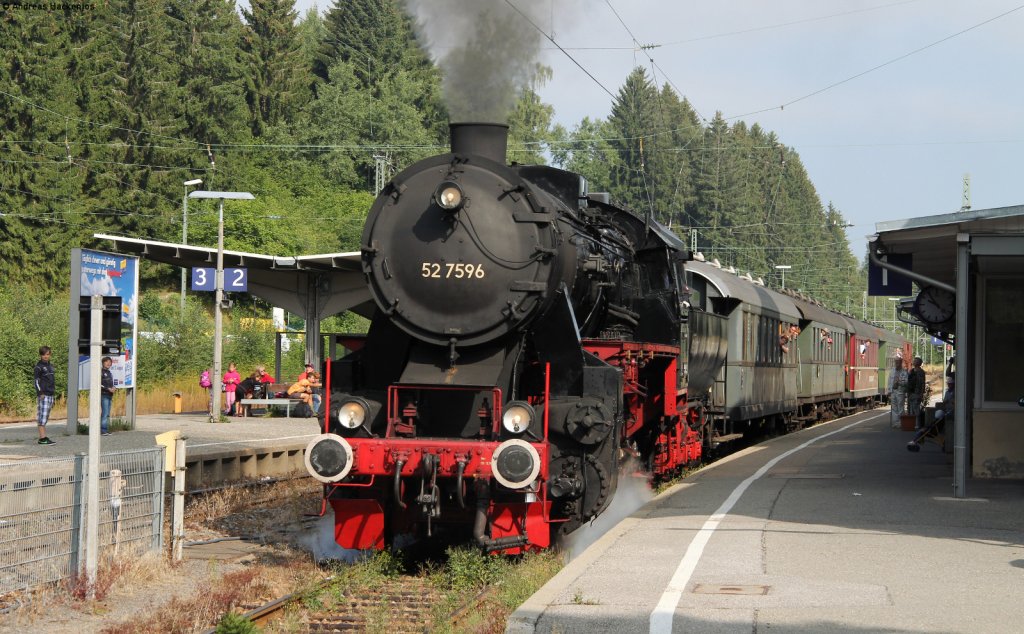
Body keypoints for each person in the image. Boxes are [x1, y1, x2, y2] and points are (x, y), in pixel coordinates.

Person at [34, 345, 57, 445]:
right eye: (43, 354)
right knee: (42, 417)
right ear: (40, 355)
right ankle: (42, 439)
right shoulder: (38, 367)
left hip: (50, 394)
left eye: (47, 354)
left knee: (46, 416)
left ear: (50, 355)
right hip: (43, 395)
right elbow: (36, 381)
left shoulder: (50, 366)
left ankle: (43, 438)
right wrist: (40, 393)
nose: (45, 356)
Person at [906, 356, 926, 425]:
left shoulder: (921, 372)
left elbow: (923, 383)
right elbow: (908, 381)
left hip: (917, 392)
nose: (913, 362)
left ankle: (917, 424)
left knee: (916, 408)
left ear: (918, 363)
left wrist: (921, 393)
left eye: (915, 361)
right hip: (911, 392)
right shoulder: (911, 371)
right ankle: (912, 424)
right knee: (911, 408)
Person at [100, 356, 115, 436]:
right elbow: (99, 384)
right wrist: (107, 389)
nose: (109, 363)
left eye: (110, 362)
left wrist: (113, 387)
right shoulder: (101, 372)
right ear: (103, 363)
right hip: (104, 395)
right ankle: (103, 430)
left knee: (107, 413)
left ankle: (105, 429)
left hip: (110, 395)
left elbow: (111, 384)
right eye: (107, 361)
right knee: (105, 413)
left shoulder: (109, 373)